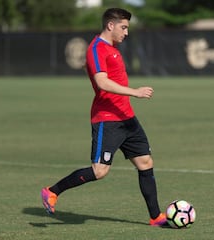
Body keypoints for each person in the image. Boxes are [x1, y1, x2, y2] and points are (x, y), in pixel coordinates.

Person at [41, 7, 167, 227]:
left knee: (145, 162)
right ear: (111, 25)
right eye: (123, 27)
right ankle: (52, 191)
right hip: (107, 120)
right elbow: (102, 82)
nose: (126, 32)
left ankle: (155, 217)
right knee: (99, 171)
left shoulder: (111, 47)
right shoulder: (97, 48)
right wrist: (135, 92)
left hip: (127, 118)